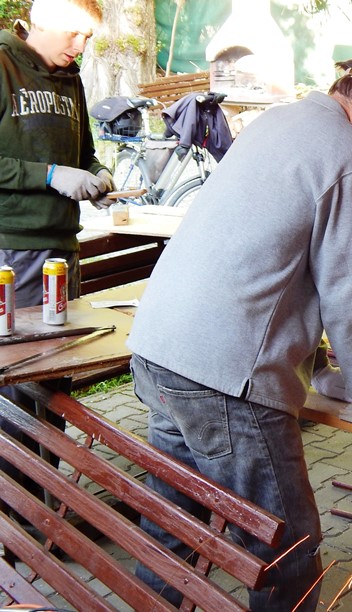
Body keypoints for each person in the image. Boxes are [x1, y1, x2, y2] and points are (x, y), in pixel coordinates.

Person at [126, 51, 352, 610]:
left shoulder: (279, 120)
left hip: (159, 352)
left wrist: (318, 370)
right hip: (225, 379)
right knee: (286, 552)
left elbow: (274, 257)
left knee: (175, 526)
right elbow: (351, 285)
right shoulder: (351, 152)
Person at [0, 0, 113, 523]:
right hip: (11, 248)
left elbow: (83, 151)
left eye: (87, 37)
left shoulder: (71, 79)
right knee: (18, 383)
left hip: (62, 250)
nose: (80, 46)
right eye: (74, 33)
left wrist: (96, 174)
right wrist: (48, 175)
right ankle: (15, 521)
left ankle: (43, 512)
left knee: (54, 381)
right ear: (41, 19)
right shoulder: (4, 64)